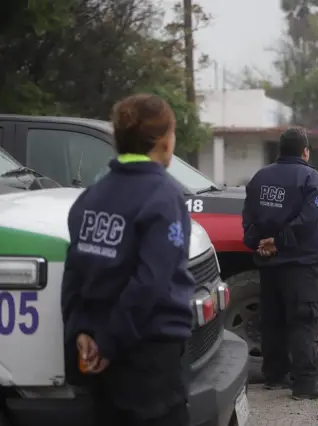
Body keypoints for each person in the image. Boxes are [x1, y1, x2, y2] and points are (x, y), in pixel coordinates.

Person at [61, 94, 193, 426]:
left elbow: (74, 270)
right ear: (165, 141)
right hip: (148, 359)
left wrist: (83, 332)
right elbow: (151, 284)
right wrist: (109, 342)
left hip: (95, 356)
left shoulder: (93, 194)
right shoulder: (164, 195)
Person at [242, 127, 318, 400]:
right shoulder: (312, 179)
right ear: (305, 151)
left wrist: (258, 242)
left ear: (279, 150)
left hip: (269, 264)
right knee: (303, 322)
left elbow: (248, 216)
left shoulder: (260, 178)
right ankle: (305, 384)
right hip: (301, 265)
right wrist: (279, 241)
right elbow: (311, 217)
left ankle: (275, 376)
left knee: (272, 321)